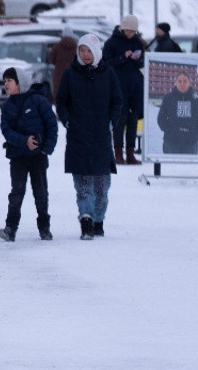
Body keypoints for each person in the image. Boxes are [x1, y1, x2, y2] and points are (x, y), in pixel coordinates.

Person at [55, 33, 123, 240]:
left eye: (89, 51)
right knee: (83, 187)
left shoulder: (108, 74)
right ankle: (86, 221)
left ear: (96, 52)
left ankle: (98, 220)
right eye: (82, 50)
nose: (85, 54)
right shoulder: (70, 74)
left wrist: (111, 121)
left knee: (101, 188)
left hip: (101, 138)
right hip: (78, 138)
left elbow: (117, 100)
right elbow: (61, 101)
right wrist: (67, 120)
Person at [0, 67, 58, 242]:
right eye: (5, 81)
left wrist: (46, 148)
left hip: (38, 156)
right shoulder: (7, 106)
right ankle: (10, 228)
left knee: (41, 192)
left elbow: (52, 125)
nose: (6, 84)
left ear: (20, 82)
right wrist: (24, 141)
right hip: (17, 156)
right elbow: (6, 130)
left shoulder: (38, 101)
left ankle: (44, 227)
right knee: (17, 191)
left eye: (9, 80)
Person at [102, 14, 146, 165]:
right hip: (118, 87)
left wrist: (138, 59)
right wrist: (123, 57)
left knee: (133, 120)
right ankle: (118, 153)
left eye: (133, 31)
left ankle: (131, 153)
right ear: (123, 29)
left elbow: (142, 63)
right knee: (119, 121)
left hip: (134, 87)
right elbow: (106, 63)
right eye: (129, 31)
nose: (131, 34)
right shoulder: (111, 43)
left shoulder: (137, 42)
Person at [156, 71, 198, 154]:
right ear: (176, 82)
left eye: (185, 81)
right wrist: (169, 131)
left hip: (190, 143)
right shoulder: (168, 98)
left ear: (189, 82)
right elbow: (161, 118)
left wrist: (196, 131)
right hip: (171, 143)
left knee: (189, 163)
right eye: (180, 81)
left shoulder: (196, 99)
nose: (182, 84)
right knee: (170, 163)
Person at [47, 32, 78, 96]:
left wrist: (57, 63)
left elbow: (50, 59)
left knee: (58, 92)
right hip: (74, 73)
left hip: (59, 74)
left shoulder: (57, 46)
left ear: (62, 36)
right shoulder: (76, 47)